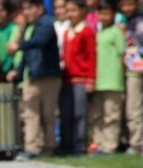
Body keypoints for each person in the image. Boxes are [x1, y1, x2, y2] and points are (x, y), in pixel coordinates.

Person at [7, 0, 63, 159]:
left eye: (30, 8)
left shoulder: (47, 23)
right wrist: (17, 71)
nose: (26, 12)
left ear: (39, 8)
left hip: (49, 77)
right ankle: (32, 148)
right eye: (24, 9)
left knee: (49, 115)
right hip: (32, 77)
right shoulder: (29, 27)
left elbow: (39, 42)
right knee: (30, 114)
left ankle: (49, 147)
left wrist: (18, 44)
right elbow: (27, 54)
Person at [59, 0, 96, 156]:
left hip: (81, 79)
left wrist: (90, 79)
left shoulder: (86, 31)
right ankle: (66, 145)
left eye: (73, 10)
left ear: (82, 11)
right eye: (68, 11)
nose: (70, 14)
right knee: (66, 114)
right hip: (67, 79)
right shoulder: (68, 31)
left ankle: (79, 145)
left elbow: (92, 56)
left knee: (79, 114)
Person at [91, 0, 126, 154]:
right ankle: (98, 143)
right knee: (97, 115)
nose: (103, 17)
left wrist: (122, 75)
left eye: (107, 14)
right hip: (98, 80)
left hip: (113, 79)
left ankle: (110, 145)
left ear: (113, 15)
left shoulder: (116, 32)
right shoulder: (98, 32)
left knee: (112, 115)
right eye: (101, 13)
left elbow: (122, 55)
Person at [119, 0, 143, 154]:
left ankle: (137, 143)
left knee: (134, 107)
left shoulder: (140, 21)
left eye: (130, 5)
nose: (127, 8)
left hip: (135, 70)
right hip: (122, 69)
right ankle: (127, 140)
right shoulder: (122, 19)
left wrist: (127, 33)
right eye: (124, 5)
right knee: (126, 107)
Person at [0, 0, 21, 81]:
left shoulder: (13, 28)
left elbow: (11, 50)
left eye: (2, 10)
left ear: (8, 12)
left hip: (9, 70)